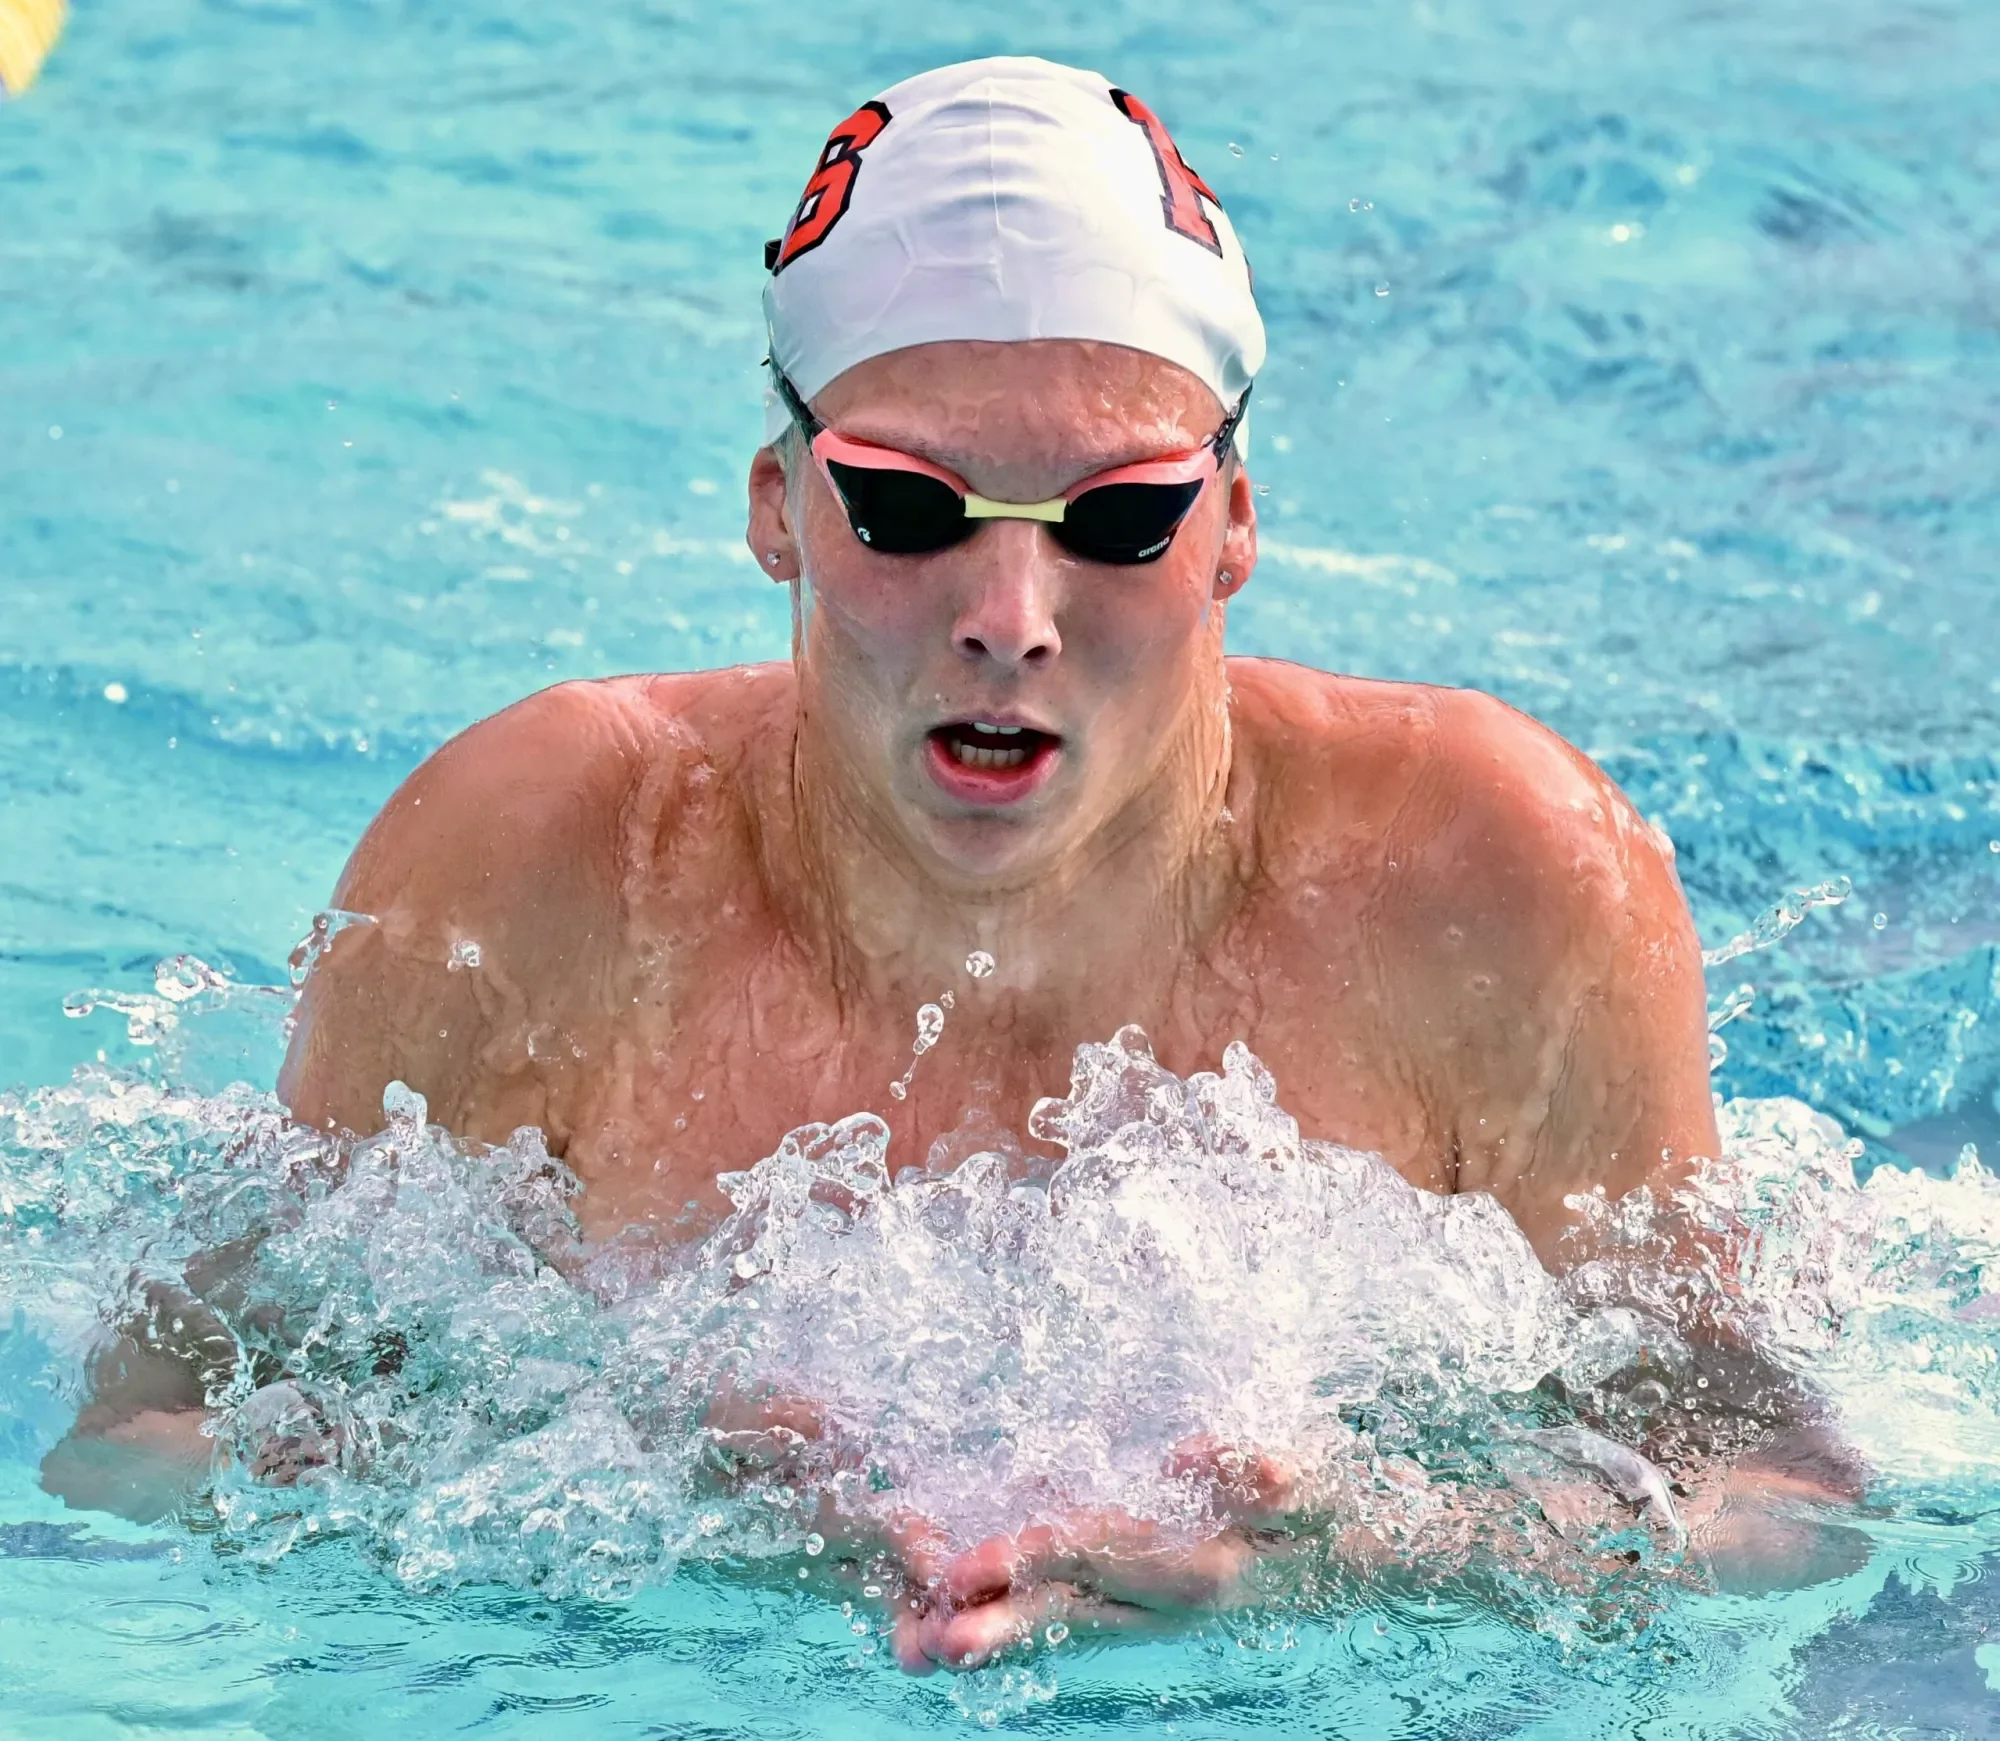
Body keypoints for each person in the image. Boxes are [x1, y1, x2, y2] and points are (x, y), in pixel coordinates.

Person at [42, 56, 1859, 1670]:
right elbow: (136, 1442)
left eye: (1119, 517)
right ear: (779, 509)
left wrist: (1373, 1557)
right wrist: (634, 1506)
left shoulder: (1490, 876)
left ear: (1233, 522)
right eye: (907, 506)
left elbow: (1786, 1505)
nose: (1011, 615)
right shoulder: (550, 861)